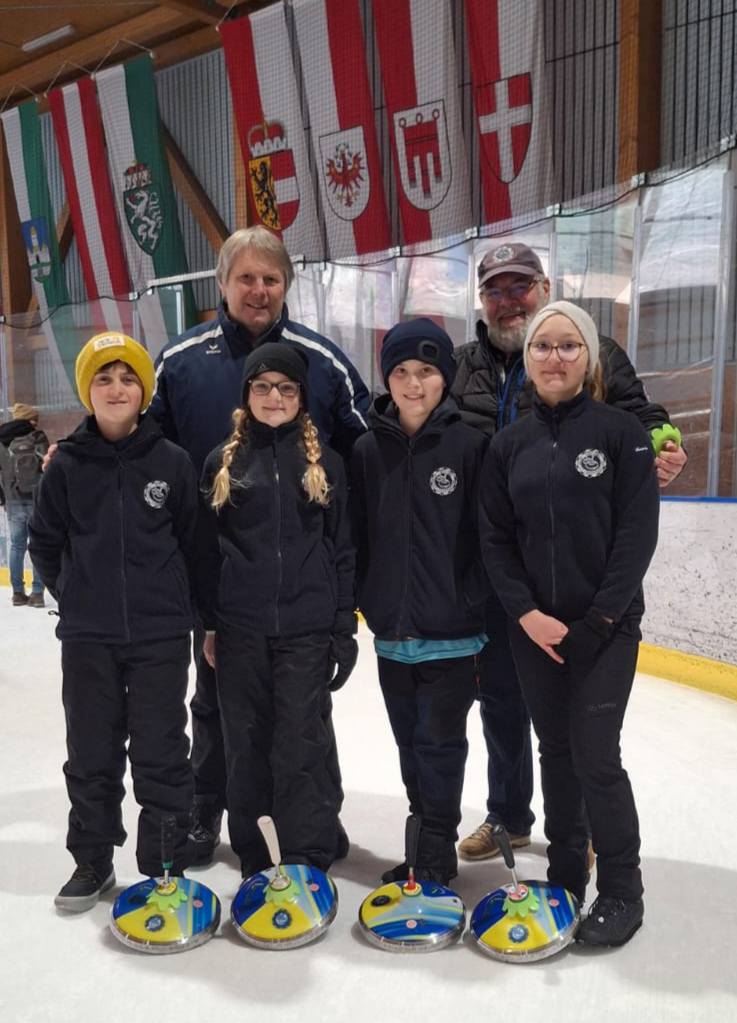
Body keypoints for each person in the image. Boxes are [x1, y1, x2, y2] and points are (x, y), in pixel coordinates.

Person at [452, 242, 685, 862]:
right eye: (496, 290)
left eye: (520, 286)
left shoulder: (593, 351)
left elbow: (641, 415)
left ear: (544, 286)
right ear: (482, 299)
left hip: (574, 573)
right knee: (501, 700)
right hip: (498, 571)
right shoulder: (462, 364)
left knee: (579, 729)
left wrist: (665, 439)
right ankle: (508, 815)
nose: (509, 300)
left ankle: (575, 830)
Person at [151, 226, 369, 865]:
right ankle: (205, 816)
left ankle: (315, 825)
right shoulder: (182, 360)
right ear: (222, 283)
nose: (258, 290)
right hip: (222, 585)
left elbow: (369, 445)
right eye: (245, 277)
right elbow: (139, 441)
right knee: (218, 710)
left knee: (306, 720)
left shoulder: (320, 361)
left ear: (286, 287)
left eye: (271, 280)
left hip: (301, 590)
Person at [479, 301, 659, 946]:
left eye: (568, 346)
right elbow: (495, 540)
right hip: (535, 632)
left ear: (588, 357)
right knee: (554, 751)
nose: (554, 358)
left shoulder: (619, 432)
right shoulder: (508, 445)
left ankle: (620, 889)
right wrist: (526, 614)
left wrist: (600, 618)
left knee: (594, 755)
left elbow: (637, 535)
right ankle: (563, 876)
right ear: (526, 360)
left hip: (606, 628)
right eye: (542, 347)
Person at [28, 332, 198, 912]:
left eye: (128, 378)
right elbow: (45, 542)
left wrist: (186, 611)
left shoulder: (171, 462)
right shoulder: (67, 466)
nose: (117, 387)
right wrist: (76, 596)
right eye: (104, 378)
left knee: (161, 750)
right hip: (88, 639)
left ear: (144, 390)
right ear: (87, 391)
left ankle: (163, 865)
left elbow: (192, 542)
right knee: (92, 751)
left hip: (159, 636)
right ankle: (92, 860)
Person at [196, 343, 357, 876]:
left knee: (300, 741)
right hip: (241, 628)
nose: (274, 397)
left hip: (306, 629)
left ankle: (308, 851)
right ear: (247, 393)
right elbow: (206, 554)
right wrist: (211, 625)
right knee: (245, 740)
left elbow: (342, 550)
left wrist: (342, 630)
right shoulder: (221, 461)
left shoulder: (325, 463)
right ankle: (256, 851)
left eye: (286, 388)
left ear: (301, 397)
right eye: (263, 386)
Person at [350, 319, 489, 885]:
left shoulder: (472, 446)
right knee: (410, 747)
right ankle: (423, 842)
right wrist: (370, 600)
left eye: (426, 371)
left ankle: (434, 854)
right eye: (402, 371)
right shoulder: (365, 450)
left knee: (440, 745)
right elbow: (355, 535)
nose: (413, 383)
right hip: (393, 635)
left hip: (454, 634)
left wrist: (470, 599)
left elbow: (489, 537)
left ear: (445, 379)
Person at [0, 403, 49, 607]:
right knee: (38, 546)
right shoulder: (38, 437)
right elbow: (49, 467)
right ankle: (37, 593)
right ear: (30, 420)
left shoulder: (2, 440)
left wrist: (3, 498)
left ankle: (18, 593)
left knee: (17, 546)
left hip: (13, 500)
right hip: (37, 499)